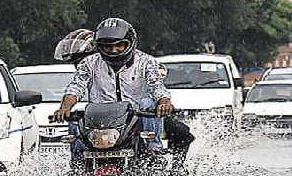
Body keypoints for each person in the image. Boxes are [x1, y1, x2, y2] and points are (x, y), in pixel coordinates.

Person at [53, 19, 194, 166]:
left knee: (166, 119)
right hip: (101, 122)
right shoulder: (88, 63)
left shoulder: (146, 61)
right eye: (107, 46)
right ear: (99, 46)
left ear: (130, 43)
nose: (113, 50)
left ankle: (154, 153)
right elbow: (76, 86)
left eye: (119, 45)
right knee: (77, 120)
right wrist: (65, 107)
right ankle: (78, 165)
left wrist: (163, 102)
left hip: (139, 118)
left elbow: (156, 85)